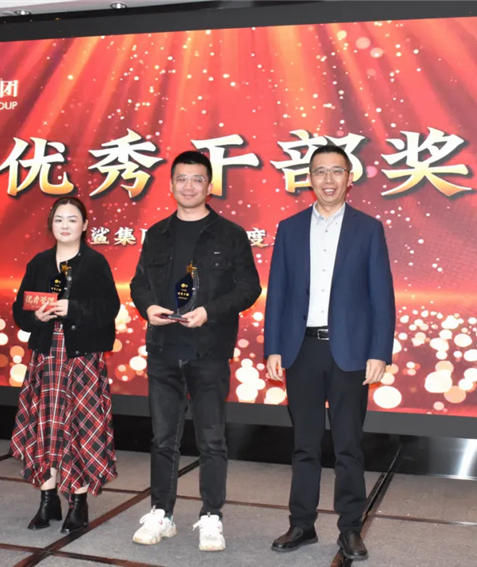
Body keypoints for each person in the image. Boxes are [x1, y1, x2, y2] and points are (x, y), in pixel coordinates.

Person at [264, 144, 395, 561]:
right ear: (309, 178)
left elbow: (382, 296)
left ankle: (350, 528)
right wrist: (273, 347)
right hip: (300, 349)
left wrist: (379, 352)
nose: (328, 179)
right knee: (304, 444)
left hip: (350, 352)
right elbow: (278, 293)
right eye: (320, 171)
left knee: (347, 446)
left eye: (336, 171)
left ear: (349, 179)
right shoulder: (289, 228)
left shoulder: (367, 229)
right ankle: (301, 524)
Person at [129, 150, 261, 552]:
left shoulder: (230, 234)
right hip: (164, 349)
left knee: (212, 440)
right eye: (182, 179)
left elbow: (249, 288)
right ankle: (162, 513)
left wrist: (209, 311)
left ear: (209, 186)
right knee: (162, 439)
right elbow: (139, 284)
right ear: (171, 185)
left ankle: (211, 516)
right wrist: (148, 308)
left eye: (197, 179)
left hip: (209, 350)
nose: (189, 186)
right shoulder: (157, 233)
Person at [10, 196, 120, 534]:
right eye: (59, 219)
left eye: (72, 219)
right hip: (46, 356)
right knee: (46, 427)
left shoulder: (95, 262)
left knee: (80, 428)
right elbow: (20, 311)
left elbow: (109, 308)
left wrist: (73, 309)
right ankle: (48, 500)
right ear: (51, 224)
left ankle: (78, 501)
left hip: (81, 358)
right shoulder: (40, 262)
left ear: (84, 225)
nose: (65, 225)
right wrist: (37, 317)